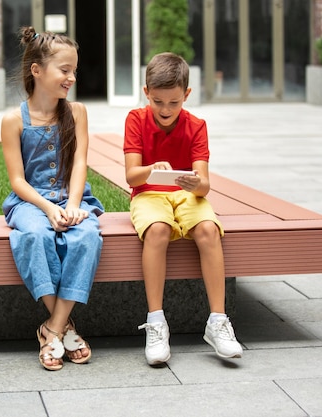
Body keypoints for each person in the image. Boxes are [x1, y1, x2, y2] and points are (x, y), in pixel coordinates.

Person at [123, 52, 243, 365]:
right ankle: (156, 321)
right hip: (148, 194)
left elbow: (204, 184)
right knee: (158, 230)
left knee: (207, 229)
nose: (165, 110)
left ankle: (217, 321)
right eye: (158, 101)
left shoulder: (197, 126)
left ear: (186, 95)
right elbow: (131, 175)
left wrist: (194, 184)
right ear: (146, 92)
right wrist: (151, 168)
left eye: (174, 103)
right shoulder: (135, 119)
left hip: (186, 195)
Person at [1, 26, 104, 371]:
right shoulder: (13, 120)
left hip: (72, 196)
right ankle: (65, 327)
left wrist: (74, 205)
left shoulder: (77, 113)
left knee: (87, 235)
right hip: (32, 202)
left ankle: (52, 329)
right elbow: (17, 180)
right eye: (64, 70)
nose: (72, 77)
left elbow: (80, 163)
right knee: (33, 235)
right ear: (37, 70)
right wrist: (47, 208)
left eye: (74, 70)